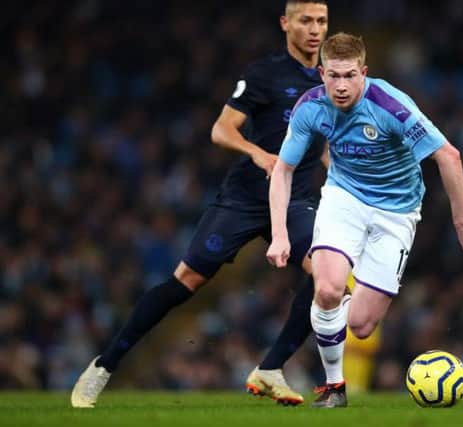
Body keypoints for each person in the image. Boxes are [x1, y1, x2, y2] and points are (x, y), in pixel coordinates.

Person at [71, 0, 329, 408]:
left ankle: (271, 368)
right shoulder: (264, 73)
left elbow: (327, 142)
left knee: (327, 275)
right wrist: (258, 154)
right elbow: (221, 130)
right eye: (305, 21)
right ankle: (104, 365)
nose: (315, 29)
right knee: (187, 281)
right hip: (245, 197)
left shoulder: (331, 77)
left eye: (321, 21)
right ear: (285, 24)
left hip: (297, 200)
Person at [266, 32, 463, 408]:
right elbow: (283, 170)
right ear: (321, 73)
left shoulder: (390, 105)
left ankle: (339, 303)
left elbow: (448, 156)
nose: (341, 86)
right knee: (326, 289)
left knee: (361, 325)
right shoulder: (309, 108)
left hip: (397, 212)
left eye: (349, 75)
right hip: (344, 199)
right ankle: (335, 388)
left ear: (364, 72)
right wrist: (278, 235)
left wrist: (462, 223)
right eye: (333, 76)